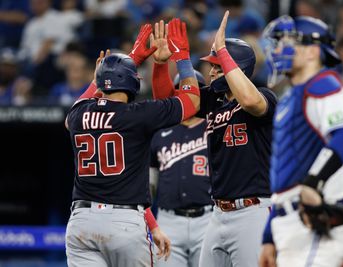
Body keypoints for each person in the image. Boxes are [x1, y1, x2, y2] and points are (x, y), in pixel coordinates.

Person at [65, 21, 200, 267]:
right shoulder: (138, 114)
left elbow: (79, 108)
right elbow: (191, 101)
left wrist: (129, 59)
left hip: (81, 221)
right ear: (132, 82)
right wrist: (181, 58)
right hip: (124, 222)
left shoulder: (78, 115)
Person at [259, 15, 343, 267]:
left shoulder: (324, 84)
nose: (280, 49)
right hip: (288, 223)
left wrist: (314, 182)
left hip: (315, 221)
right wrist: (269, 236)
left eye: (289, 42)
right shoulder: (291, 96)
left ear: (312, 52)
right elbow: (285, 175)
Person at [197, 11, 277, 267]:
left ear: (237, 69)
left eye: (217, 67)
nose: (210, 72)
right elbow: (171, 99)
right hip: (218, 212)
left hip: (252, 211)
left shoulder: (265, 96)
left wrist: (224, 52)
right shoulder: (213, 100)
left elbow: (251, 101)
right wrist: (176, 61)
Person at [150, 69, 213, 267]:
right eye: (180, 90)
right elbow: (150, 183)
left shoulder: (214, 127)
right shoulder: (160, 132)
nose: (186, 94)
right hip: (169, 220)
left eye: (193, 90)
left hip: (208, 217)